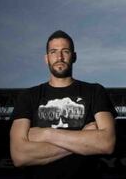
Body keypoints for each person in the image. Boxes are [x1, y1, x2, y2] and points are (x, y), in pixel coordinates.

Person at [10, 30, 117, 178]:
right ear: (46, 58)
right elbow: (19, 154)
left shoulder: (95, 91)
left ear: (74, 56)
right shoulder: (28, 96)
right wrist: (84, 138)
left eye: (65, 51)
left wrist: (45, 134)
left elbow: (106, 143)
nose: (59, 57)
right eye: (53, 52)